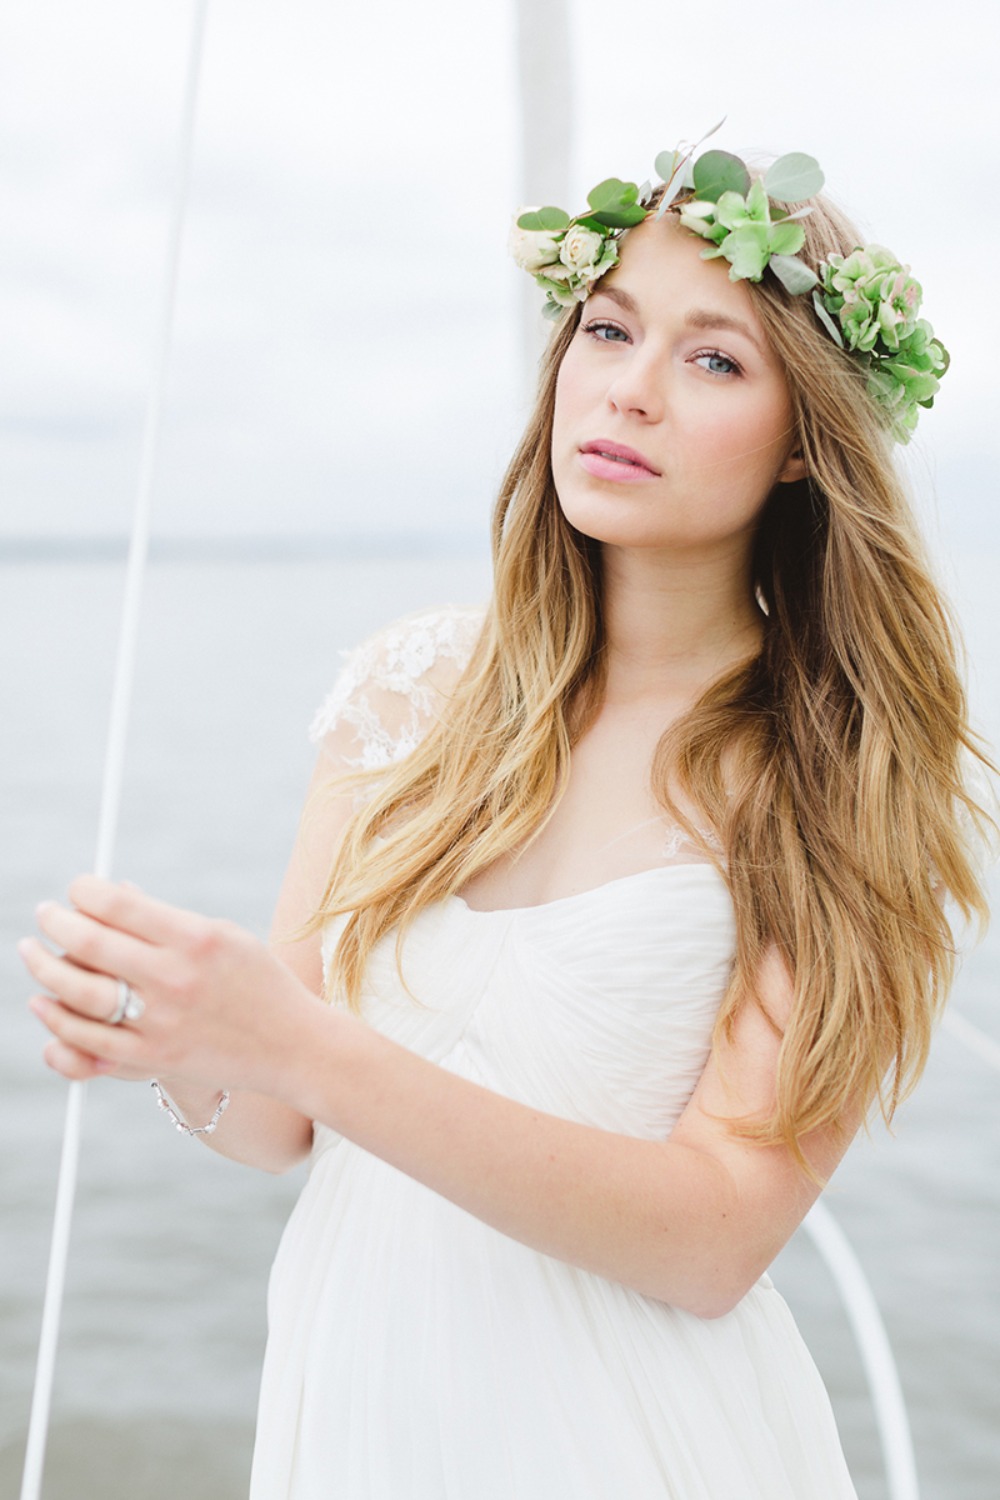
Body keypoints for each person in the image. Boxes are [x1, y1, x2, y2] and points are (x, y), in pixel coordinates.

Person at [20, 137, 996, 1499]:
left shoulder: (834, 773)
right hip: (356, 1416)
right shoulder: (407, 696)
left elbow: (716, 1239)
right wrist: (178, 1038)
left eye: (713, 359)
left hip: (639, 1443)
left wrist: (298, 1042)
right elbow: (273, 1125)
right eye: (608, 329)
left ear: (800, 444)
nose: (631, 391)